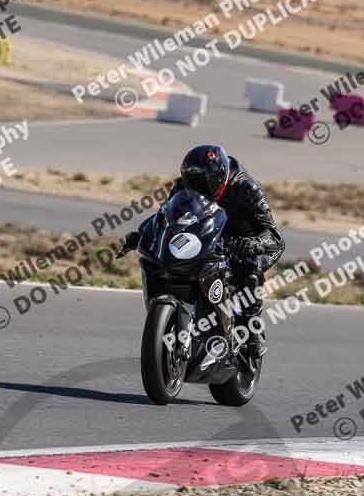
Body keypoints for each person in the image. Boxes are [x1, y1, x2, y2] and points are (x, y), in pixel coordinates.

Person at [120, 144, 285, 358]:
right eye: (193, 182)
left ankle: (253, 331)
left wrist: (253, 243)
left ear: (220, 178)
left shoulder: (246, 187)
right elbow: (165, 216)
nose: (199, 188)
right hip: (209, 233)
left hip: (246, 238)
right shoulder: (183, 186)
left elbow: (273, 234)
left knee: (249, 266)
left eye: (204, 182)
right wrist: (142, 233)